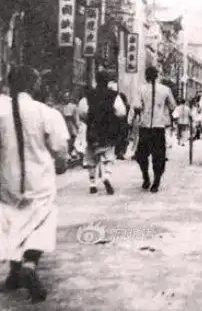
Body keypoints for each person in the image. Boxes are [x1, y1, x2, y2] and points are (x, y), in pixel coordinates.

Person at [0, 65, 70, 303]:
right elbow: (60, 149)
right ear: (34, 85)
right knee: (39, 223)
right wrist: (61, 164)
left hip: (6, 180)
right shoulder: (46, 113)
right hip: (39, 179)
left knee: (12, 222)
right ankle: (29, 265)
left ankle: (13, 274)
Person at [77, 71, 127, 195]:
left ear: (96, 80)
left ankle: (92, 183)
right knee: (108, 155)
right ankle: (106, 176)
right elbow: (121, 112)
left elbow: (82, 112)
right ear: (107, 81)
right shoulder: (114, 95)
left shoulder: (88, 95)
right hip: (109, 129)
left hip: (93, 129)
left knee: (91, 156)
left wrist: (89, 119)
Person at [132, 66, 176, 193]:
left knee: (141, 155)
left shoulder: (141, 89)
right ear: (157, 76)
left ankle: (146, 177)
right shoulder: (165, 90)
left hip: (145, 127)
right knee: (159, 156)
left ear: (146, 76)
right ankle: (156, 182)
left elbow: (136, 106)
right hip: (159, 127)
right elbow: (173, 106)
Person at [108, 81, 131, 160]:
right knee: (121, 137)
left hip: (119, 121)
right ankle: (119, 152)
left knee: (120, 136)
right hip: (120, 121)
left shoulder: (119, 98)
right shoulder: (120, 99)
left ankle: (119, 152)